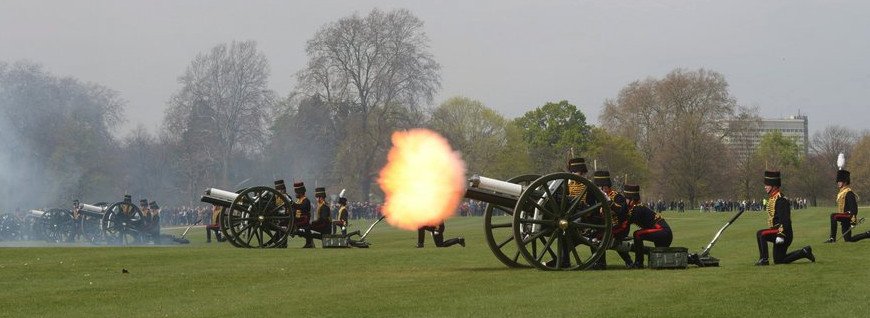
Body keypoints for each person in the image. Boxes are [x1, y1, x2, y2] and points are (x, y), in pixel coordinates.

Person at [755, 171, 815, 265]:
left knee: (761, 233)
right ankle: (804, 252)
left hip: (783, 232)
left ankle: (764, 259)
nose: (765, 187)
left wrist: (781, 234)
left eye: (767, 185)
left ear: (774, 186)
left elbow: (785, 220)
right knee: (779, 260)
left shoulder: (781, 200)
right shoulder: (773, 198)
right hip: (776, 231)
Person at [591, 170, 633, 269]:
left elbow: (622, 211)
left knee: (598, 238)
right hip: (606, 226)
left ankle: (602, 264)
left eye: (601, 187)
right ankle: (599, 262)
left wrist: (609, 202)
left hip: (619, 225)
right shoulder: (598, 197)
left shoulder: (617, 196)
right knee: (593, 236)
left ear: (605, 186)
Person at [623, 185, 673, 269]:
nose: (625, 201)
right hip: (663, 233)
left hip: (662, 232)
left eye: (626, 199)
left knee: (637, 234)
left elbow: (626, 221)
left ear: (631, 200)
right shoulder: (636, 208)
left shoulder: (638, 209)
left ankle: (639, 263)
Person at [825, 169, 870, 242]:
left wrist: (853, 219)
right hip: (844, 217)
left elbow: (854, 208)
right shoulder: (841, 192)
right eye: (838, 181)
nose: (838, 183)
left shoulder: (849, 192)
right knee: (848, 240)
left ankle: (832, 238)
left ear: (845, 182)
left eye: (840, 181)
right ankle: (867, 234)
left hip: (848, 215)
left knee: (833, 216)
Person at [292, 181, 314, 248]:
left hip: (304, 219)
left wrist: (293, 204)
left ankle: (309, 243)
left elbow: (301, 207)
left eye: (296, 192)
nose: (295, 194)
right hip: (298, 218)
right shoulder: (298, 200)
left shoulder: (306, 200)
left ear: (300, 192)